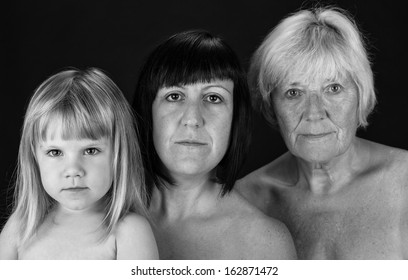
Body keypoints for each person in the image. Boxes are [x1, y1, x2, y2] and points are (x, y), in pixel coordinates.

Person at [237, 6, 408, 259]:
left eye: (334, 88)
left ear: (361, 96)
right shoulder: (245, 201)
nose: (314, 112)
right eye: (293, 93)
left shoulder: (404, 183)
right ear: (271, 105)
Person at [132, 30, 296, 259]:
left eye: (213, 98)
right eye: (174, 96)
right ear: (147, 111)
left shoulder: (266, 244)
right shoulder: (102, 218)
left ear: (235, 120)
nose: (192, 119)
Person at [0, 68, 158, 259]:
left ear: (119, 155)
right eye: (55, 152)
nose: (73, 170)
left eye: (90, 150)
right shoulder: (20, 228)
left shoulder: (129, 232)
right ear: (34, 157)